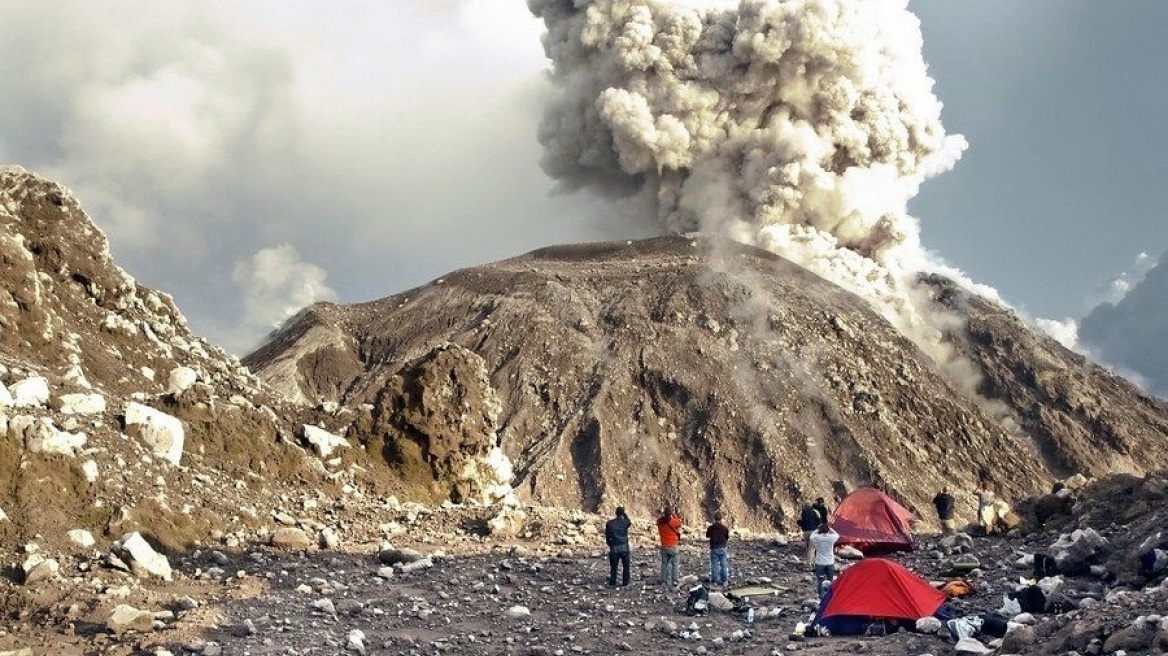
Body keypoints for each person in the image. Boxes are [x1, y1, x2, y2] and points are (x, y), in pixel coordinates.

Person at [809, 521, 840, 599]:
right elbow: (837, 535)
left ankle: (821, 596)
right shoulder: (831, 537)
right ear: (827, 530)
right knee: (830, 580)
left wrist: (817, 529)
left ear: (820, 530)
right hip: (830, 562)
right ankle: (829, 595)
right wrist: (830, 528)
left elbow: (811, 536)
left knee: (820, 580)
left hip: (819, 562)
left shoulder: (817, 537)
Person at [656, 506, 683, 588]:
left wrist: (664, 514)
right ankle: (675, 581)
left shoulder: (659, 522)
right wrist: (674, 514)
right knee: (675, 564)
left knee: (664, 564)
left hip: (664, 546)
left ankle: (664, 581)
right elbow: (679, 524)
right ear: (670, 514)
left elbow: (661, 519)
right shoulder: (673, 521)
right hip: (673, 546)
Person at [605, 506, 632, 587]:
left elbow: (607, 537)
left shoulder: (609, 523)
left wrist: (611, 545)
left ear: (615, 513)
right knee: (626, 566)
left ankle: (613, 583)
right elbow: (629, 521)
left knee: (613, 567)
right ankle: (625, 582)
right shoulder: (625, 522)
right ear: (623, 514)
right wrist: (625, 514)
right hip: (624, 547)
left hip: (614, 547)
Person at [706, 511, 730, 589]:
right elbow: (727, 537)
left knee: (714, 565)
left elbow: (707, 536)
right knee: (724, 564)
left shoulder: (711, 528)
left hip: (714, 548)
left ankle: (715, 581)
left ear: (714, 519)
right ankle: (725, 581)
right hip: (723, 548)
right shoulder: (725, 528)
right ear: (721, 519)